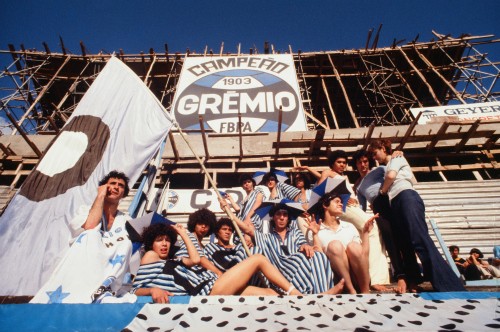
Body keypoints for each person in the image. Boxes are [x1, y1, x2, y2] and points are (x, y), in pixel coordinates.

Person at [369, 139, 466, 292]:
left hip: (406, 196)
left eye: (375, 153)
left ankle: (447, 283)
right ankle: (425, 280)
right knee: (407, 242)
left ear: (383, 148)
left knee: (419, 238)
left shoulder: (396, 158)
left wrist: (382, 192)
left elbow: (391, 176)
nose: (374, 157)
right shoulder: (388, 164)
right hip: (396, 202)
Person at [31, 171, 136, 303]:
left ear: (124, 193)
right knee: (90, 234)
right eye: (112, 183)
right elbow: (90, 226)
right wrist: (100, 195)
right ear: (103, 187)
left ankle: (104, 291)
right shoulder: (86, 210)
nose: (116, 187)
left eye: (120, 185)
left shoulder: (126, 220)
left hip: (111, 274)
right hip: (84, 267)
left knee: (126, 243)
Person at [132, 223, 304, 303]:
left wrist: (183, 234)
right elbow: (136, 288)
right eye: (159, 240)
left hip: (212, 285)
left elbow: (195, 259)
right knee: (257, 258)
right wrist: (153, 289)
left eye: (167, 240)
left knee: (270, 293)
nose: (164, 244)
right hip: (206, 291)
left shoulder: (174, 260)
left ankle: (298, 302)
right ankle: (296, 293)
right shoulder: (150, 255)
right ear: (150, 243)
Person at [220, 199, 344, 295]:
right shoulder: (267, 237)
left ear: (288, 218)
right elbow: (247, 229)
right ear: (273, 218)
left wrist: (309, 241)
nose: (282, 217)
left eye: (285, 215)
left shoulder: (295, 233)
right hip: (278, 272)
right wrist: (228, 211)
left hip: (297, 269)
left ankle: (322, 293)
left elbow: (310, 248)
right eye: (278, 214)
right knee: (299, 258)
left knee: (318, 256)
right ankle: (307, 293)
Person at [316, 149, 391, 291]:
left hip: (354, 207)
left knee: (363, 236)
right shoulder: (328, 173)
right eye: (339, 162)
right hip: (343, 207)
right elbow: (320, 192)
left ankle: (363, 275)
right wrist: (341, 196)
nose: (342, 165)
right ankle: (375, 278)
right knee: (372, 229)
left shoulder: (344, 177)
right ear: (332, 163)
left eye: (344, 163)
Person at [353, 149, 422, 293]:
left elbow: (395, 173)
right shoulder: (358, 185)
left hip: (391, 200)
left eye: (365, 161)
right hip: (378, 208)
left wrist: (396, 154)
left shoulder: (379, 169)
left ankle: (414, 278)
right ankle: (401, 276)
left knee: (405, 239)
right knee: (390, 241)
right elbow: (361, 206)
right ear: (356, 165)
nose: (362, 164)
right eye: (359, 162)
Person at [305, 192, 376, 294]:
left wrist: (365, 233)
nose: (341, 204)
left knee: (354, 246)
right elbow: (319, 259)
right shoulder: (315, 229)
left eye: (341, 202)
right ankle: (350, 290)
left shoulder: (349, 226)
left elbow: (363, 255)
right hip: (336, 280)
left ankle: (365, 290)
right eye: (337, 201)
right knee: (335, 246)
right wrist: (315, 234)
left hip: (357, 276)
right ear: (325, 205)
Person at [181, 208, 223, 277]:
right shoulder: (189, 237)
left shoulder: (203, 247)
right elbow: (201, 259)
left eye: (207, 224)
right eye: (200, 223)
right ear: (194, 224)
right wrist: (219, 273)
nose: (203, 226)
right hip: (188, 276)